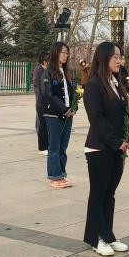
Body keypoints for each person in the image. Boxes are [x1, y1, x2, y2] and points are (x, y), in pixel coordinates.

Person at [82, 42, 129, 256]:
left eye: (120, 57)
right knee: (98, 195)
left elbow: (127, 114)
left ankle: (108, 235)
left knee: (109, 194)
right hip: (99, 149)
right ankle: (95, 238)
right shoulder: (93, 85)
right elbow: (97, 119)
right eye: (115, 57)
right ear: (104, 58)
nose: (119, 61)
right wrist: (116, 142)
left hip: (117, 149)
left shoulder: (118, 83)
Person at [39, 42, 76, 187]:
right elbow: (48, 95)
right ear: (55, 53)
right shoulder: (48, 72)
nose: (66, 55)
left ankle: (61, 174)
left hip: (67, 114)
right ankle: (54, 177)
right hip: (54, 114)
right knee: (54, 146)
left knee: (63, 146)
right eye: (63, 52)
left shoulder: (67, 72)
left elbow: (72, 92)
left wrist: (73, 107)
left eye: (67, 53)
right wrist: (64, 109)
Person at [32, 53, 49, 156]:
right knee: (40, 119)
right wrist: (40, 95)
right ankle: (40, 138)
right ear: (44, 61)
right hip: (40, 97)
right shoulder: (38, 69)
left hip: (47, 97)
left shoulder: (48, 69)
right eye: (48, 61)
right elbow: (36, 84)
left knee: (44, 120)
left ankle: (45, 141)